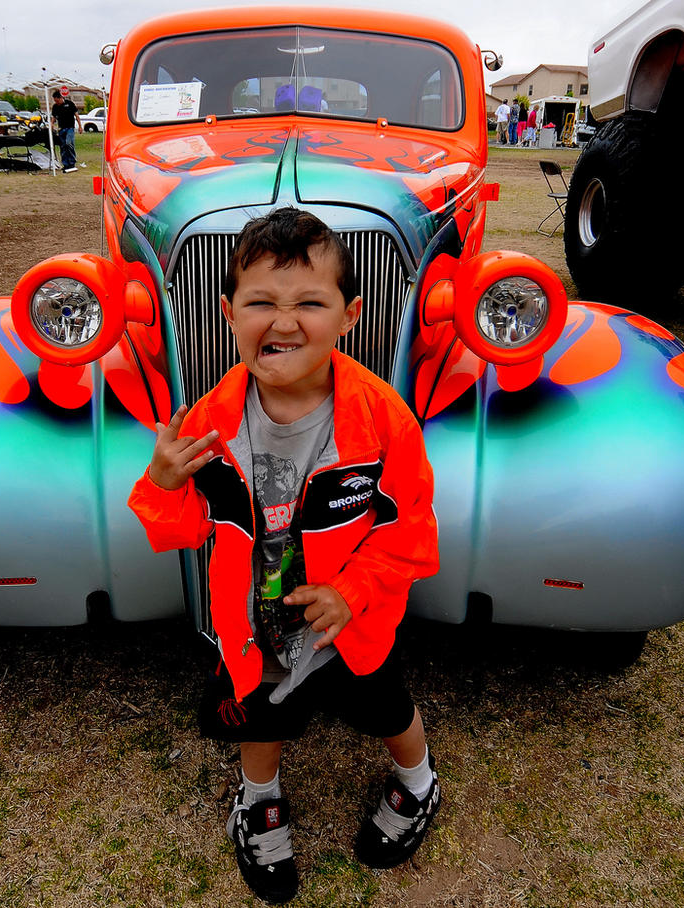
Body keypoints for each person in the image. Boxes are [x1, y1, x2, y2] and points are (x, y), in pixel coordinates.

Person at [128, 207, 441, 904]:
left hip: (351, 623)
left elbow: (410, 530)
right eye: (261, 301)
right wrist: (163, 484)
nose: (285, 321)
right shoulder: (208, 421)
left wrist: (353, 591)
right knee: (257, 712)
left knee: (385, 706)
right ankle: (260, 797)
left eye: (310, 302)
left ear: (350, 315)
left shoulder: (386, 419)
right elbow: (178, 531)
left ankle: (420, 781)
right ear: (227, 312)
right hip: (252, 622)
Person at [50, 89, 82, 172]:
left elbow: (77, 115)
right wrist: (52, 124)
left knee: (69, 143)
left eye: (57, 100)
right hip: (61, 129)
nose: (56, 102)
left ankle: (72, 162)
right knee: (63, 146)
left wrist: (80, 126)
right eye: (55, 101)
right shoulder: (55, 107)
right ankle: (65, 164)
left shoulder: (69, 104)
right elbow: (54, 117)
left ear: (61, 98)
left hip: (70, 128)